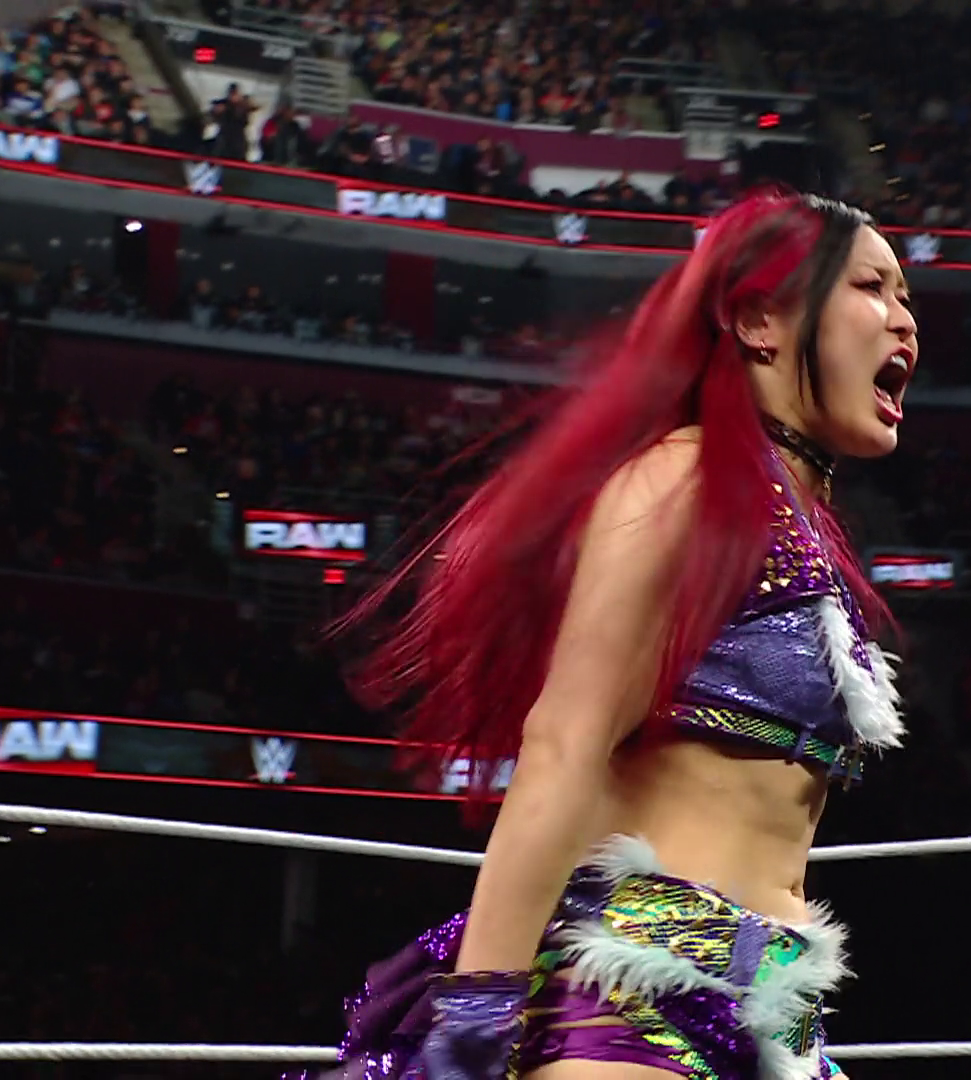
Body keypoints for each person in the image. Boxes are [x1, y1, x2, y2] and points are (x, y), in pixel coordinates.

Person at [316, 191, 921, 1080]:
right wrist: (480, 1004)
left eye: (908, 297)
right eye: (872, 288)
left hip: (774, 1006)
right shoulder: (682, 480)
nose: (905, 322)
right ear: (759, 321)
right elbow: (567, 739)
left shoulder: (795, 520)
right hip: (637, 998)